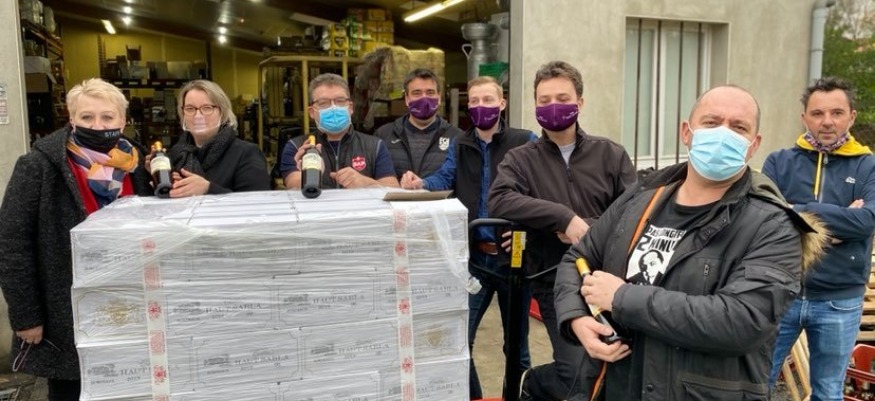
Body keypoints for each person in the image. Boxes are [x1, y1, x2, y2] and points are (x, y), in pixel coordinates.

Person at [553, 85, 828, 401]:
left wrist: (621, 297)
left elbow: (743, 321)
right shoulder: (641, 198)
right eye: (711, 122)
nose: (723, 134)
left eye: (739, 127)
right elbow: (577, 258)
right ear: (687, 132)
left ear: (754, 145)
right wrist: (577, 318)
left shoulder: (773, 225)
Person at [488, 61, 637, 401]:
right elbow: (499, 199)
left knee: (616, 363)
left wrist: (587, 227)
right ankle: (535, 383)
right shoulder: (520, 159)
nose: (553, 106)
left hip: (610, 279)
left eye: (562, 98)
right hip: (553, 279)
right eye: (544, 100)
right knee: (576, 373)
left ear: (580, 102)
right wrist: (561, 217)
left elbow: (633, 212)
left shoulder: (610, 154)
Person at [0, 78, 154, 401]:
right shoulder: (39, 166)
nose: (97, 125)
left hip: (130, 309)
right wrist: (26, 315)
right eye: (87, 117)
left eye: (107, 117)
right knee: (73, 392)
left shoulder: (137, 166)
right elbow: (12, 243)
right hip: (68, 316)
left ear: (123, 121)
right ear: (71, 118)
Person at [400, 76, 538, 400]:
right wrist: (420, 183)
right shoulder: (461, 144)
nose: (480, 107)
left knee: (516, 348)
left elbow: (540, 190)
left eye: (488, 100)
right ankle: (474, 396)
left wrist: (529, 230)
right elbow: (444, 177)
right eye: (474, 101)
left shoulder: (524, 141)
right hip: (475, 259)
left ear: (502, 103)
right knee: (461, 339)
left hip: (515, 258)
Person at [765, 77, 875, 401]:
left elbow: (867, 221)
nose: (827, 121)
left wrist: (798, 211)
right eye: (817, 113)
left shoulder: (868, 166)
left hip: (840, 300)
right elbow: (766, 219)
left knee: (827, 392)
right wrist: (841, 221)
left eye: (837, 113)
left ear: (852, 117)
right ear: (804, 118)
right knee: (755, 383)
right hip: (780, 292)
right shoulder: (778, 162)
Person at [279, 73, 398, 189]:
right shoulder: (296, 147)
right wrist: (311, 174)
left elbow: (393, 188)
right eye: (323, 103)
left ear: (350, 108)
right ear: (311, 112)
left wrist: (365, 183)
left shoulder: (375, 146)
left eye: (340, 101)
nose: (333, 108)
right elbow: (292, 185)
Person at [166, 79, 270, 196]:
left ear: (222, 112)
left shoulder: (246, 153)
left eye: (207, 108)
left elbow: (258, 201)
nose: (198, 116)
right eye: (190, 109)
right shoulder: (175, 155)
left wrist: (208, 189)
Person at [375, 68, 463, 180]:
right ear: (407, 99)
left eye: (430, 93)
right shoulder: (384, 135)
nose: (424, 98)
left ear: (439, 98)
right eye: (417, 93)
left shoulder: (457, 138)